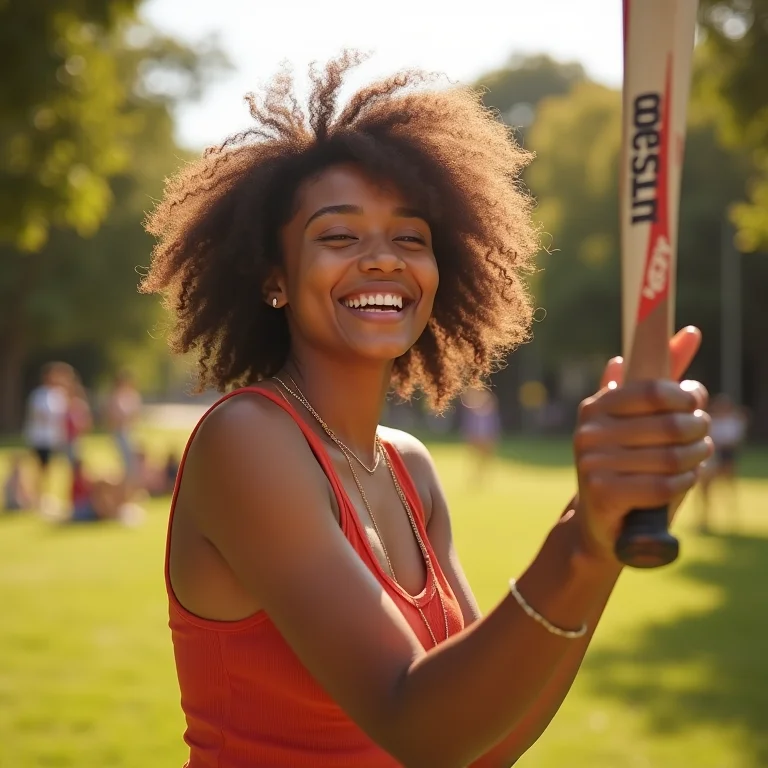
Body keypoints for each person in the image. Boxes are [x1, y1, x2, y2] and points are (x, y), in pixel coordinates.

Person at [140, 54, 711, 768]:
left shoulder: (411, 468)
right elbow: (417, 729)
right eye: (339, 236)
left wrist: (602, 525)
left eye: (410, 238)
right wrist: (583, 547)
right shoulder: (247, 440)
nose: (383, 259)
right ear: (275, 279)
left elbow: (487, 740)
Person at [697, 393, 748, 533]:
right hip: (712, 459)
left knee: (728, 490)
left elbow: (734, 442)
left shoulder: (733, 421)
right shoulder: (712, 421)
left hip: (726, 459)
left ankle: (732, 519)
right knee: (705, 491)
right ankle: (704, 519)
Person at [23, 361, 72, 505]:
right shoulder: (39, 395)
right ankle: (37, 497)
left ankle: (44, 496)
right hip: (40, 438)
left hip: (53, 438)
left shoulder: (58, 395)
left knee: (50, 469)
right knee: (40, 469)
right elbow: (39, 415)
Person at [104, 370, 142, 480]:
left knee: (132, 461)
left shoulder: (131, 395)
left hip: (129, 431)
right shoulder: (115, 397)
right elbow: (113, 417)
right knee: (126, 461)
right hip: (119, 432)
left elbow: (135, 415)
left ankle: (129, 485)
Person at [459, 386, 502, 484]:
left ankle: (482, 477)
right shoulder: (473, 412)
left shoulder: (489, 414)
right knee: (475, 457)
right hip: (476, 436)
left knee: (485, 458)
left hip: (487, 436)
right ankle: (476, 477)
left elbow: (494, 425)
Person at [64, 373, 93, 465]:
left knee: (76, 460)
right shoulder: (65, 404)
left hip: (76, 438)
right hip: (66, 437)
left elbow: (87, 423)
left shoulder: (80, 405)